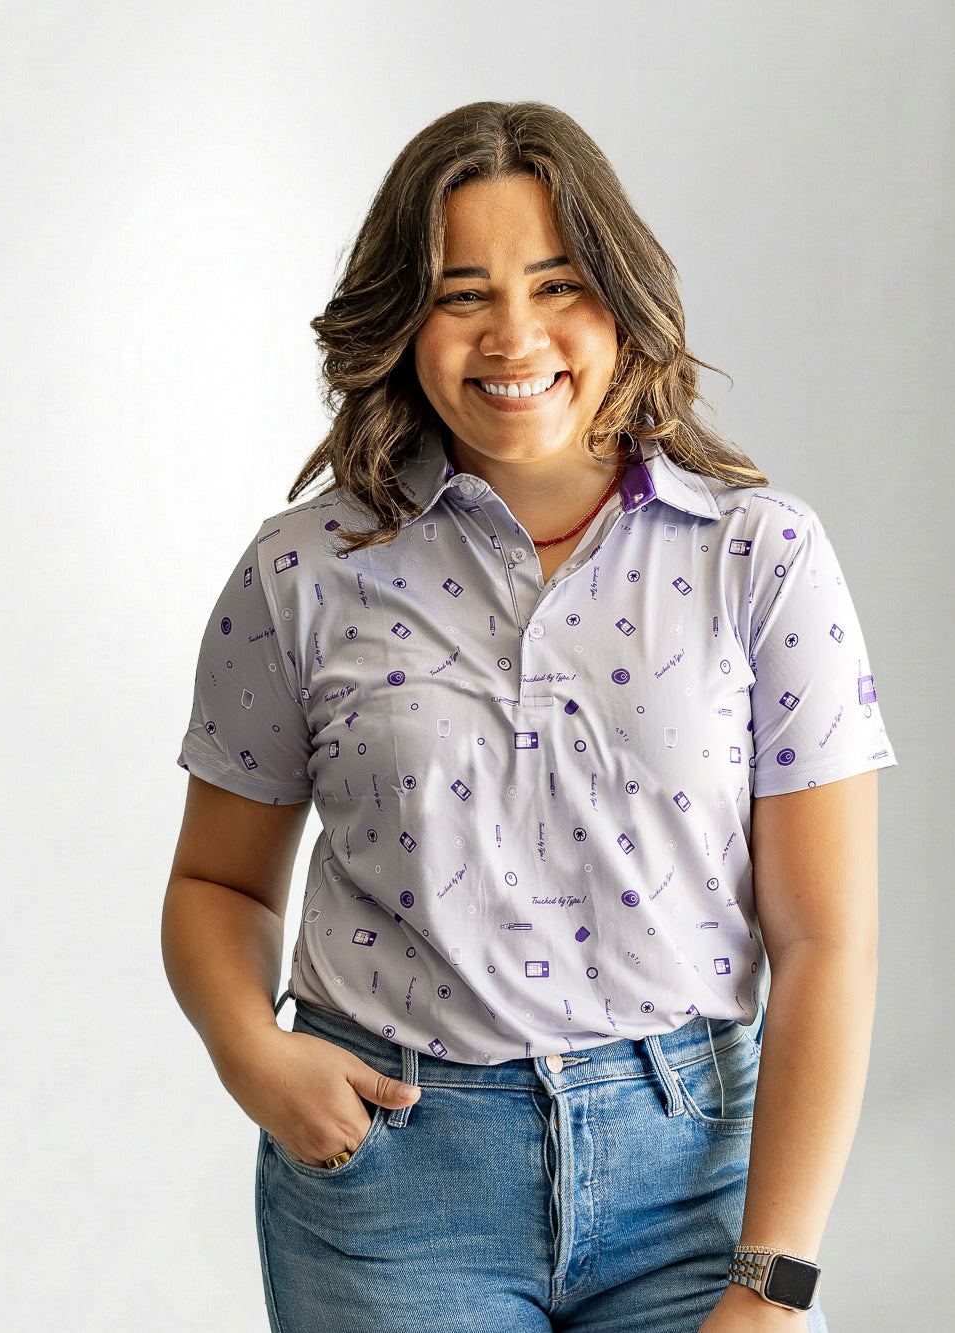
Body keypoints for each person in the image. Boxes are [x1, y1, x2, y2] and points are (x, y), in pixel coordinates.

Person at [163, 101, 896, 1333]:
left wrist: (773, 1282)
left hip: (697, 1184)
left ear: (621, 300)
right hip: (392, 1189)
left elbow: (827, 942)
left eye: (557, 284)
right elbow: (216, 884)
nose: (514, 335)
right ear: (403, 320)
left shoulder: (759, 558)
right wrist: (251, 1050)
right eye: (461, 294)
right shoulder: (303, 571)